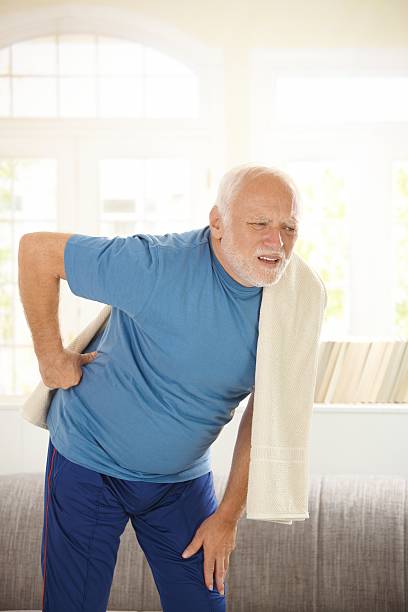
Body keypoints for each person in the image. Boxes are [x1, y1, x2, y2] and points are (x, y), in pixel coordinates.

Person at [18, 163, 301, 612]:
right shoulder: (155, 265)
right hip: (89, 462)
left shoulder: (294, 302)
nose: (277, 242)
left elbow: (269, 412)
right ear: (218, 223)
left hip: (179, 482)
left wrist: (227, 517)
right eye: (259, 224)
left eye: (288, 227)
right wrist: (51, 359)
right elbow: (36, 253)